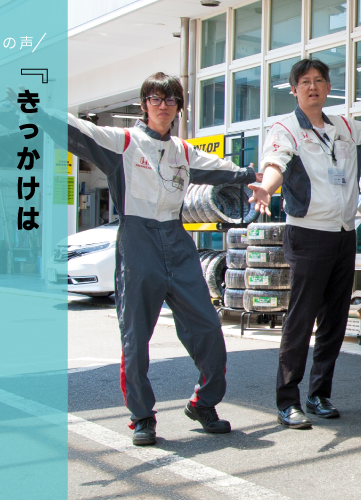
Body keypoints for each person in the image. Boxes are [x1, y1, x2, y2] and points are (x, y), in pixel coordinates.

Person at [64, 72, 262, 445]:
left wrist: (258, 174)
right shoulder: (122, 141)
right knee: (136, 337)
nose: (162, 105)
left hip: (177, 239)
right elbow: (76, 130)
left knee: (208, 328)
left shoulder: (184, 152)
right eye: (155, 99)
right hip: (138, 244)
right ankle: (142, 416)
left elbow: (227, 169)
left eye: (170, 100)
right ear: (143, 104)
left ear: (178, 108)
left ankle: (203, 402)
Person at [249, 59, 361, 429]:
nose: (312, 87)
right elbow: (275, 164)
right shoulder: (284, 128)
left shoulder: (344, 127)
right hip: (307, 234)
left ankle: (319, 393)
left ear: (328, 87)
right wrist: (266, 188)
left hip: (343, 235)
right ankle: (288, 400)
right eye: (305, 82)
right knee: (301, 319)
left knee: (334, 319)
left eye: (319, 80)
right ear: (295, 89)